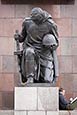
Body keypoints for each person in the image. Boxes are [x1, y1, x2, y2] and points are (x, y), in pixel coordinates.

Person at [14, 7, 59, 85]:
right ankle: (30, 77)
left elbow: (56, 41)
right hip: (30, 47)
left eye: (36, 19)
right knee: (29, 52)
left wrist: (52, 45)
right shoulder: (27, 22)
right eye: (33, 19)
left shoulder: (50, 24)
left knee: (47, 80)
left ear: (41, 16)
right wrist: (18, 37)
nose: (34, 21)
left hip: (44, 52)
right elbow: (22, 38)